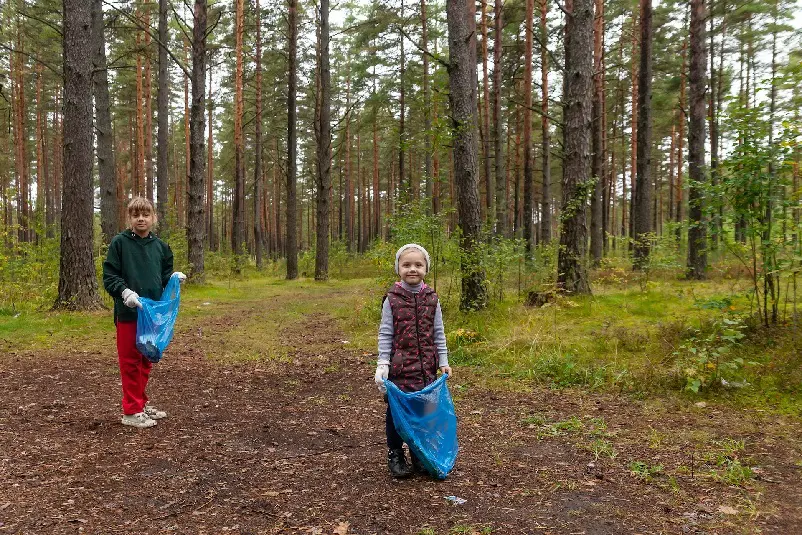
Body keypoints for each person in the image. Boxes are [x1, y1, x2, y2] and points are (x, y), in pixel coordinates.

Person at [102, 197, 186, 428]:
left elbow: (164, 275)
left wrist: (173, 280)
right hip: (129, 314)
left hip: (152, 316)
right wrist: (125, 292)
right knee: (130, 361)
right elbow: (110, 277)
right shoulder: (119, 244)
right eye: (136, 214)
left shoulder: (160, 247)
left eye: (146, 214)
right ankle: (131, 411)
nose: (141, 218)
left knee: (146, 359)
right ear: (129, 218)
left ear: (153, 218)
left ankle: (140, 402)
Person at [374, 243, 452, 478]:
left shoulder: (432, 298)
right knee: (397, 414)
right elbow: (385, 333)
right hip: (399, 370)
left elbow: (439, 332)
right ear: (398, 268)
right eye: (406, 264)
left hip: (426, 370)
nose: (412, 269)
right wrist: (383, 364)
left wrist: (443, 361)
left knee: (425, 413)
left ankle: (420, 452)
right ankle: (396, 454)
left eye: (418, 265)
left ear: (426, 269)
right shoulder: (392, 299)